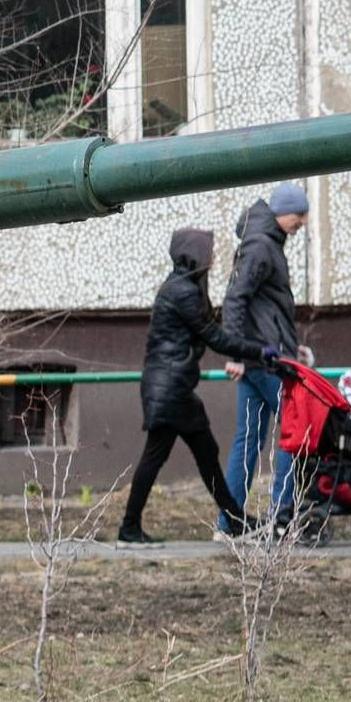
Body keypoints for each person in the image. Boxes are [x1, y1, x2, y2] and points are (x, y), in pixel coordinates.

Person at [119, 228, 277, 545]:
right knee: (166, 456)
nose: (214, 257)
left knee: (203, 454)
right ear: (196, 255)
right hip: (171, 388)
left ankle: (231, 519)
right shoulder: (184, 293)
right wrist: (258, 351)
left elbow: (209, 330)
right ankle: (131, 528)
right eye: (210, 251)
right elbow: (214, 336)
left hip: (170, 385)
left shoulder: (182, 286)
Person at [219, 182, 315, 534]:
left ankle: (228, 522)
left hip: (264, 357)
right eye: (299, 215)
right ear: (283, 211)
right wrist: (235, 354)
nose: (302, 222)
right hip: (262, 361)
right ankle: (280, 517)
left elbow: (267, 308)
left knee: (248, 439)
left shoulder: (266, 242)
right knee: (294, 430)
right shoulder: (261, 246)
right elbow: (235, 300)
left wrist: (293, 348)